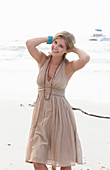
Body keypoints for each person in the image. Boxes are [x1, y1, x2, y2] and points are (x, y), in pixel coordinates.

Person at [25, 31, 90, 170]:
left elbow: (85, 58)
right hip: (41, 114)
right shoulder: (42, 60)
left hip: (61, 115)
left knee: (62, 162)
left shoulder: (69, 66)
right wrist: (50, 38)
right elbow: (29, 44)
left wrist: (73, 48)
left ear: (66, 50)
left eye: (61, 46)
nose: (55, 47)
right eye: (55, 43)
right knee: (37, 160)